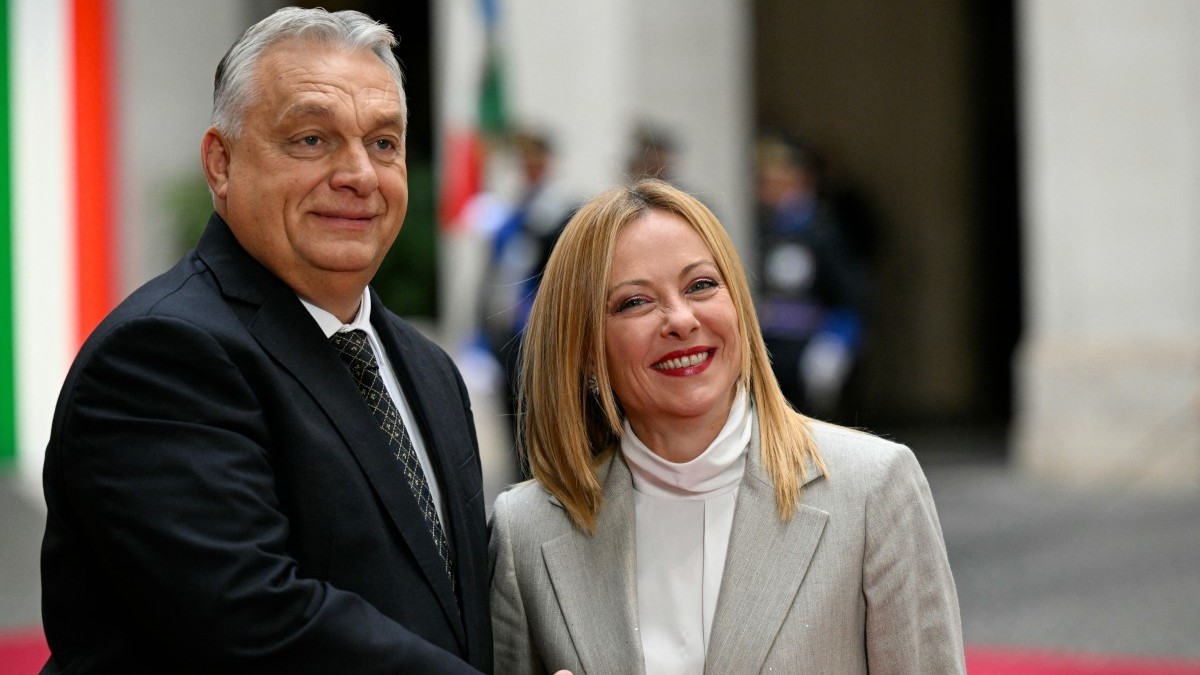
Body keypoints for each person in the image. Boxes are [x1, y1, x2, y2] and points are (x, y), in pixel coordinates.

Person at [39, 8, 491, 674]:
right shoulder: (161, 355)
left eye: (384, 143)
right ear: (221, 163)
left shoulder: (428, 368)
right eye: (313, 139)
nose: (359, 174)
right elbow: (255, 622)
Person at [490, 179, 964, 674]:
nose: (680, 319)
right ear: (586, 349)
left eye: (701, 286)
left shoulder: (873, 488)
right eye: (634, 302)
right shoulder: (524, 531)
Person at [478, 128, 575, 464]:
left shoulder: (558, 211)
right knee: (509, 419)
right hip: (505, 331)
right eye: (525, 163)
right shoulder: (512, 212)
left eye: (535, 162)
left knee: (537, 420)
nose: (529, 169)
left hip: (536, 331)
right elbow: (494, 274)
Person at [755, 133, 866, 419]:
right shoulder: (765, 228)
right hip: (774, 346)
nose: (766, 188)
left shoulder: (823, 232)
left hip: (811, 346)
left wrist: (837, 342)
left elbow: (850, 295)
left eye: (776, 180)